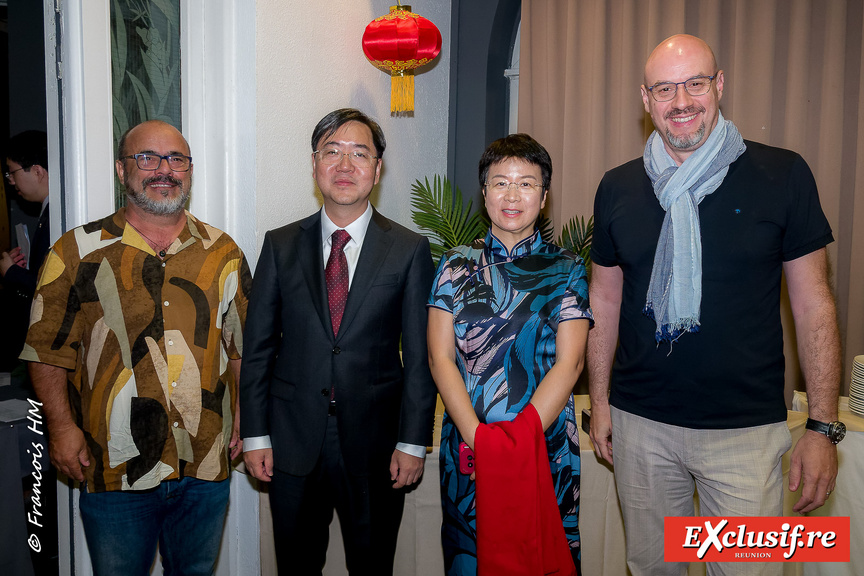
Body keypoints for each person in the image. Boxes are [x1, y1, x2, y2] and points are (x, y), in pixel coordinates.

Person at [587, 34, 843, 576]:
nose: (681, 101)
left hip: (744, 435)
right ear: (645, 98)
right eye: (665, 88)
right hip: (641, 426)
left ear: (719, 85)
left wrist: (822, 428)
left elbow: (814, 305)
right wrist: (603, 402)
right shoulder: (617, 188)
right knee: (653, 569)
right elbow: (604, 302)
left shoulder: (784, 175)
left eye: (695, 84)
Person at [20, 120, 252, 576]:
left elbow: (242, 347)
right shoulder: (77, 252)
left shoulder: (223, 253)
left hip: (203, 461)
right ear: (121, 171)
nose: (164, 170)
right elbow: (46, 351)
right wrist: (62, 429)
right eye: (147, 158)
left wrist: (247, 413)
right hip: (115, 466)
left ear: (190, 171)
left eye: (177, 160)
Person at [240, 108, 437, 575]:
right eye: (332, 152)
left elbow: (421, 356)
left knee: (372, 566)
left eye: (359, 154)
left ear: (377, 168)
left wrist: (413, 442)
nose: (345, 166)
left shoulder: (409, 250)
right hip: (291, 441)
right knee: (296, 565)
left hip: (376, 444)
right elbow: (259, 349)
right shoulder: (280, 244)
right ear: (314, 165)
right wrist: (255, 433)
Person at [428, 133, 593, 575]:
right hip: (468, 443)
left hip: (542, 444)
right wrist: (478, 439)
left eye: (526, 183)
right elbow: (440, 357)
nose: (512, 194)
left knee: (544, 557)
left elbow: (571, 362)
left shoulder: (568, 267)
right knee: (472, 559)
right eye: (500, 182)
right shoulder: (454, 264)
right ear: (484, 194)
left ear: (544, 195)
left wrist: (514, 442)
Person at [1, 130, 51, 369]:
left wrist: (11, 273)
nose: (10, 180)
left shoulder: (56, 217)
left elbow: (50, 284)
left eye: (12, 172)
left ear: (37, 171)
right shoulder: (48, 212)